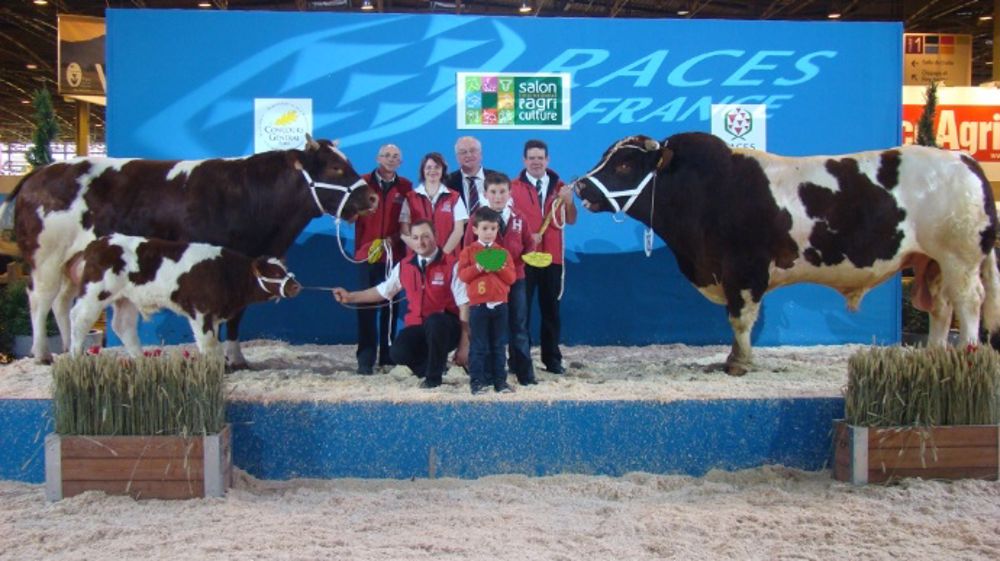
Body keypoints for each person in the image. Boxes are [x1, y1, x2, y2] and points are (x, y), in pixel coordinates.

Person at [333, 220, 469, 389]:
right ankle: (434, 367)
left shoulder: (452, 265)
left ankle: (433, 380)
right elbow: (383, 291)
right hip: (418, 326)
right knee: (397, 352)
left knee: (436, 322)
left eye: (426, 236)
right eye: (416, 237)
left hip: (446, 328)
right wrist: (350, 297)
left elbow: (465, 306)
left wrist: (464, 346)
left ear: (436, 236)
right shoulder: (404, 266)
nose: (420, 242)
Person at [511, 139, 577, 374]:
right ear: (524, 160)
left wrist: (569, 202)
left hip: (551, 258)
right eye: (532, 158)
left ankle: (552, 359)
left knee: (551, 312)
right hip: (524, 259)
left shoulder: (561, 187)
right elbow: (507, 222)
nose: (536, 162)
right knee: (521, 312)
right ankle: (519, 360)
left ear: (547, 160)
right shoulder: (512, 187)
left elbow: (570, 219)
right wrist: (527, 236)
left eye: (540, 157)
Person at [464, 172, 536, 386]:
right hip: (486, 284)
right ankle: (486, 376)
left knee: (519, 326)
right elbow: (468, 249)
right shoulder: (476, 220)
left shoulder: (518, 218)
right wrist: (484, 266)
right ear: (485, 194)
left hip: (515, 280)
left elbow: (529, 246)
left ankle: (525, 375)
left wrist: (516, 264)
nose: (498, 196)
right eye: (493, 192)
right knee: (486, 330)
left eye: (502, 191)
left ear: (509, 193)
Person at [353, 143, 412, 374]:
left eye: (395, 156)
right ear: (378, 158)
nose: (390, 159)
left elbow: (407, 221)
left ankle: (388, 356)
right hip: (364, 255)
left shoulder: (406, 187)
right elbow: (348, 214)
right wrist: (357, 213)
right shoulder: (362, 182)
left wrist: (394, 239)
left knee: (390, 307)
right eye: (386, 155)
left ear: (401, 162)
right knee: (365, 305)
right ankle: (365, 357)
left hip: (393, 256)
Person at [458, 207, 517, 394]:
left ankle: (500, 381)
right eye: (485, 228)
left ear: (497, 229)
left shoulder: (503, 253)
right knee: (479, 345)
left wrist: (498, 267)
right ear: (475, 229)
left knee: (499, 346)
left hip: (500, 305)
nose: (489, 232)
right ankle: (477, 382)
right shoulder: (468, 252)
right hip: (478, 306)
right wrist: (479, 267)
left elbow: (511, 278)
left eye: (493, 228)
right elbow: (463, 276)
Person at [400, 152, 467, 258]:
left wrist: (441, 255)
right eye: (428, 167)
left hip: (447, 260)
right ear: (423, 170)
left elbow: (458, 231)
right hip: (417, 259)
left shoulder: (455, 197)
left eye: (437, 167)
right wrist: (422, 251)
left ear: (443, 170)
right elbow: (404, 232)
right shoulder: (410, 198)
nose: (433, 170)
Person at [445, 136, 499, 214]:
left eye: (473, 150)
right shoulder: (448, 182)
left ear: (480, 154)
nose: (469, 155)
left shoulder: (497, 178)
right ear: (457, 158)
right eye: (463, 152)